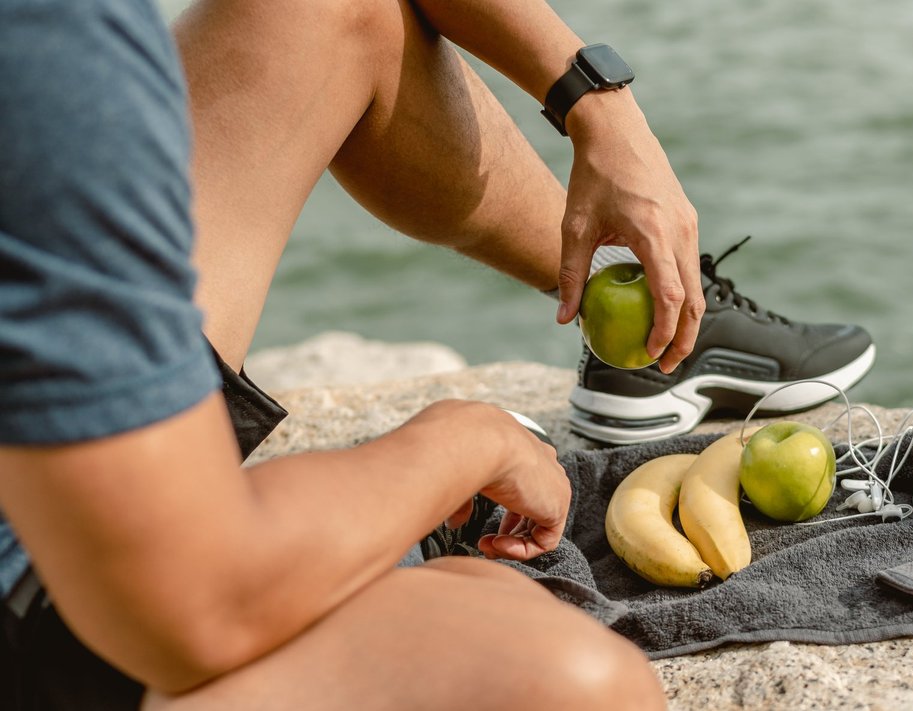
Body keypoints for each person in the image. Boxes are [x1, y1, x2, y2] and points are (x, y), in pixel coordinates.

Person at [0, 0, 692, 708]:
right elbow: (198, 599)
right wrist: (467, 440)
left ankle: (645, 290)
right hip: (39, 593)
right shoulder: (48, 49)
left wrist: (597, 106)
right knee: (573, 682)